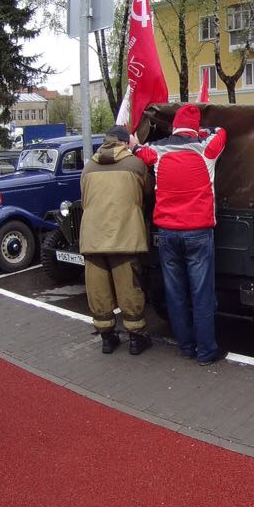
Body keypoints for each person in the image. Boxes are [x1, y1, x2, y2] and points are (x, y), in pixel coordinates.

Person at [133, 104, 228, 365]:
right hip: (198, 232)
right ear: (194, 129)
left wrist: (134, 142)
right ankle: (206, 351)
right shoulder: (205, 148)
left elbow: (138, 150)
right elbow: (221, 131)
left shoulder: (157, 150)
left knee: (175, 294)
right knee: (201, 294)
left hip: (167, 233)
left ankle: (186, 347)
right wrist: (202, 130)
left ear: (174, 126)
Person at [81, 125, 152, 355]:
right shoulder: (136, 165)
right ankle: (136, 339)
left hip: (93, 237)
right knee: (129, 288)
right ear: (125, 142)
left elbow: (85, 199)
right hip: (125, 236)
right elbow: (147, 194)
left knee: (98, 290)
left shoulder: (88, 167)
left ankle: (107, 338)